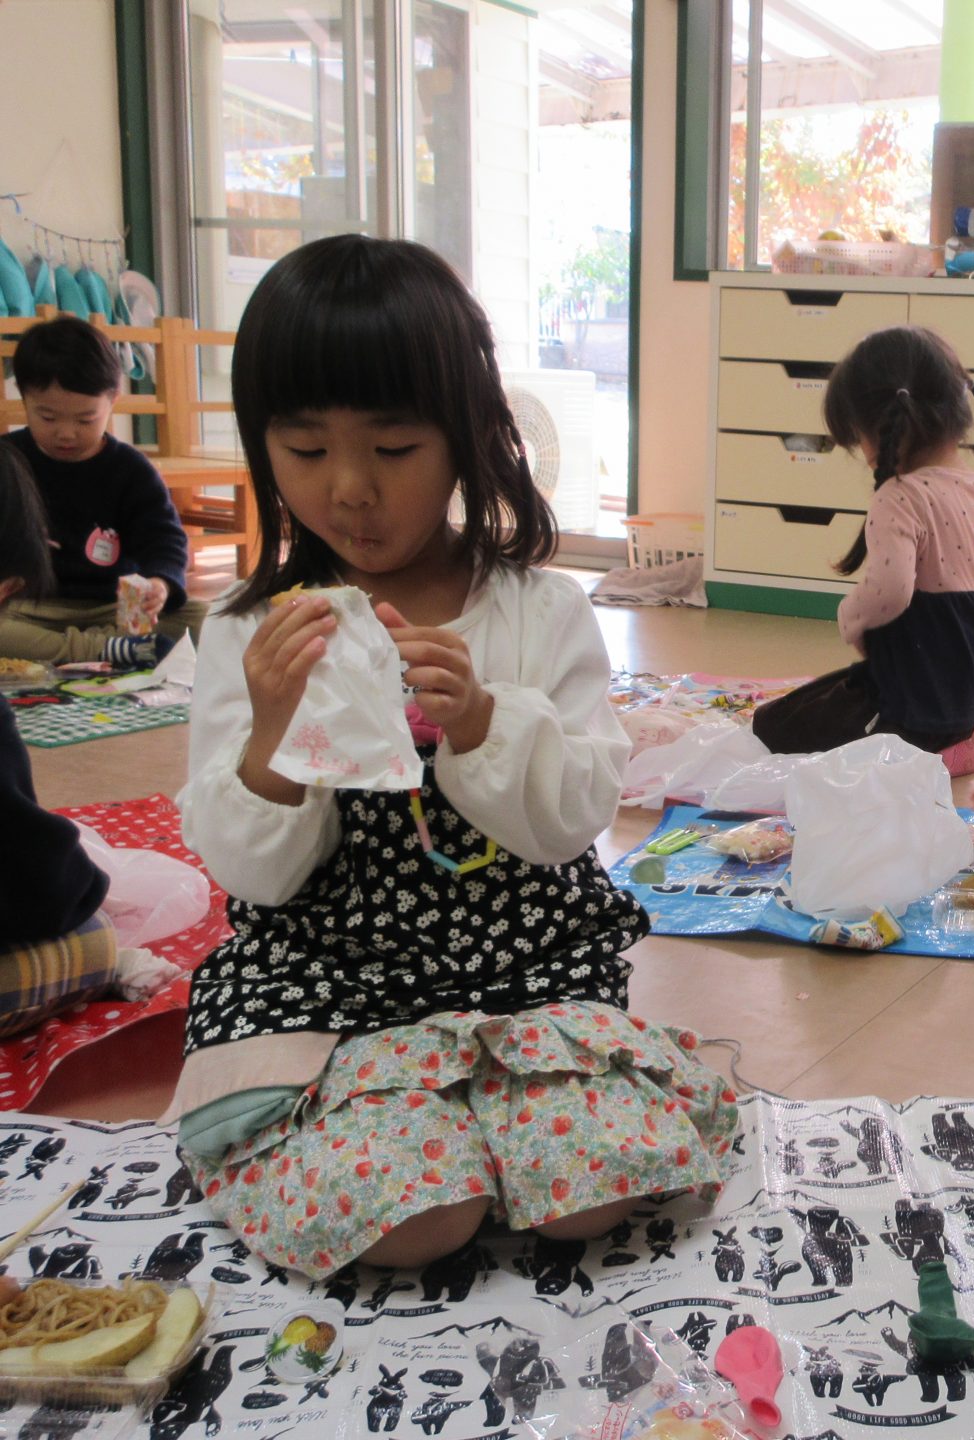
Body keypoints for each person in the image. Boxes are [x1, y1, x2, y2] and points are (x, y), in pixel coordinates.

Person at [166, 236, 738, 1280]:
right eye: (303, 450)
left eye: (391, 451)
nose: (347, 490)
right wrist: (271, 740)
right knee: (420, 1219)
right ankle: (411, 1141)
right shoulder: (247, 634)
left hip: (526, 971)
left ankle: (507, 1124)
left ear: (470, 438)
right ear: (263, 445)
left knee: (593, 1191)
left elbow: (576, 817)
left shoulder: (542, 611)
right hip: (324, 983)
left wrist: (479, 720)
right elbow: (251, 874)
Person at [750, 326, 974, 765]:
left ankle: (936, 753)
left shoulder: (899, 496)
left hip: (908, 709)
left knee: (773, 725)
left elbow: (891, 592)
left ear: (878, 429)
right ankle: (967, 731)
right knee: (828, 691)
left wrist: (850, 618)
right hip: (964, 698)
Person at [0, 315, 204, 668]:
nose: (66, 433)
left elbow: (164, 538)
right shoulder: (8, 460)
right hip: (31, 609)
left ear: (114, 399)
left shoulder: (130, 469)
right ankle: (107, 650)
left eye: (85, 419)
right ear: (24, 398)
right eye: (47, 417)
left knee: (208, 619)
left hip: (114, 607)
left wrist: (160, 584)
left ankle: (108, 645)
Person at [0, 446, 117, 1038]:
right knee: (96, 943)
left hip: (101, 609)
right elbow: (29, 879)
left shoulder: (130, 471)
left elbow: (167, 552)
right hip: (70, 621)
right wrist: (85, 885)